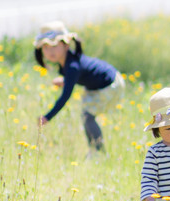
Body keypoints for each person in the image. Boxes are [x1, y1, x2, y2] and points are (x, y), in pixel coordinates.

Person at [34, 21, 125, 152]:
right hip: (104, 82)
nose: (50, 51)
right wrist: (66, 80)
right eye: (46, 47)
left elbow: (65, 96)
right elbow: (80, 74)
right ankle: (94, 150)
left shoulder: (72, 67)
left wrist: (47, 117)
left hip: (110, 84)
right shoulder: (68, 61)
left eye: (55, 46)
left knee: (88, 116)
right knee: (86, 115)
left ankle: (99, 152)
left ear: (66, 45)